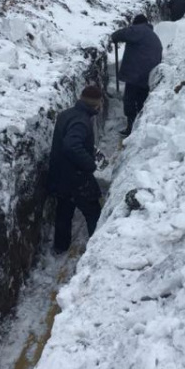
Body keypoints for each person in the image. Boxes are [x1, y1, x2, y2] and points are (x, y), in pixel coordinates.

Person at [48, 85, 103, 254]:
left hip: (60, 173)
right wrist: (90, 164)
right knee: (93, 210)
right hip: (76, 176)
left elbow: (69, 140)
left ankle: (60, 246)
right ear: (96, 104)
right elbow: (71, 145)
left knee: (64, 210)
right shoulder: (81, 120)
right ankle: (98, 248)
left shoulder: (67, 114)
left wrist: (90, 149)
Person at [111, 15, 163, 136]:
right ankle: (140, 127)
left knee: (129, 100)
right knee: (141, 100)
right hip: (148, 75)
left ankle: (131, 126)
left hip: (137, 73)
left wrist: (114, 37)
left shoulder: (140, 29)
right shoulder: (152, 35)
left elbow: (119, 34)